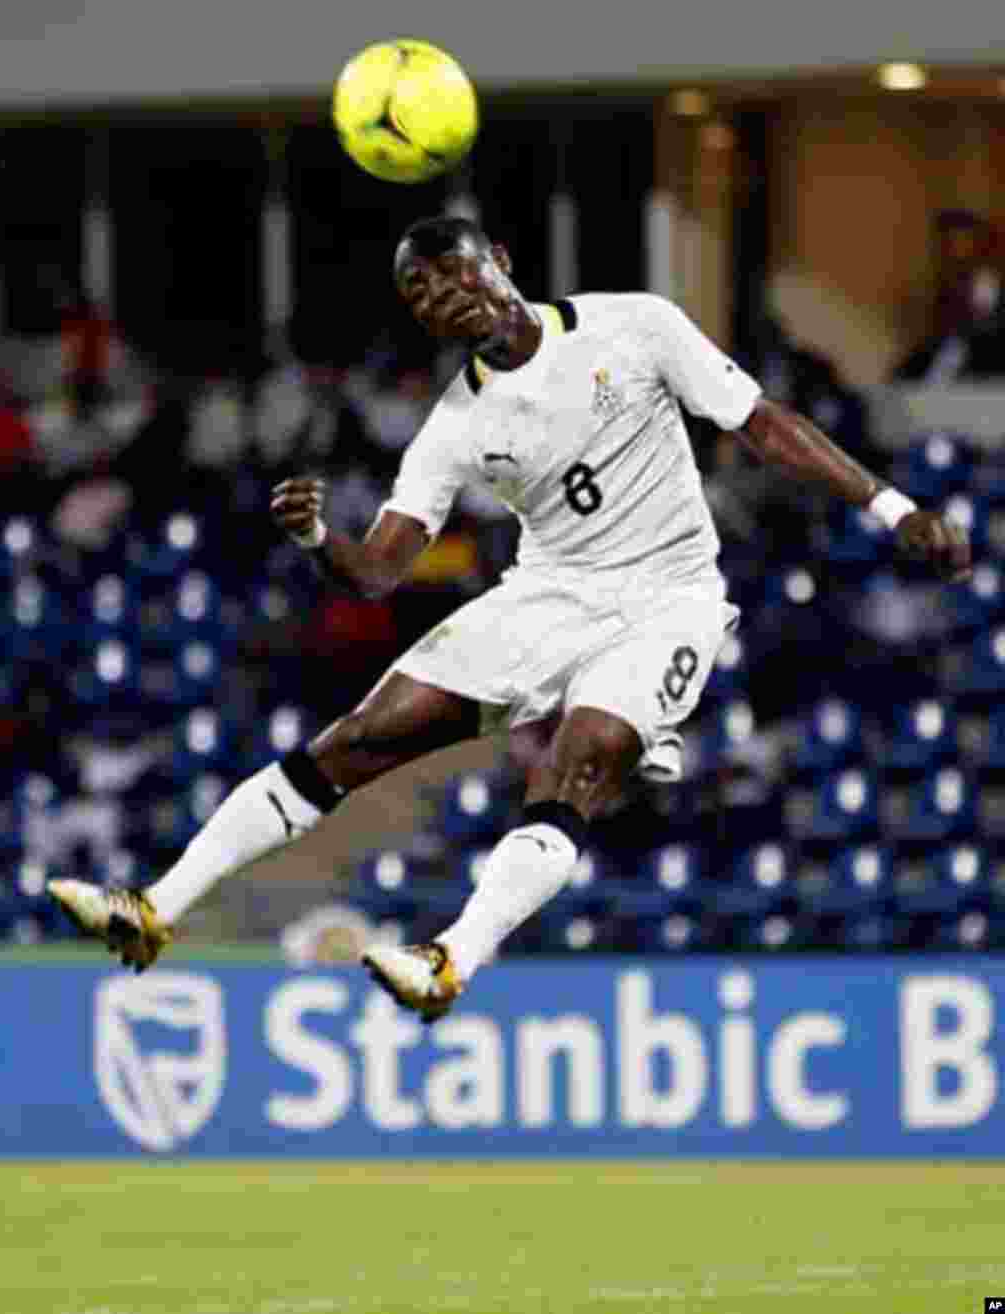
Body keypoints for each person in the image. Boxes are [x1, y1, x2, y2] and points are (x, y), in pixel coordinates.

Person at [50, 215, 971, 1021]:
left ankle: (451, 957)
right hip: (547, 594)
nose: (447, 294)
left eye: (455, 268)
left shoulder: (634, 323)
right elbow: (378, 572)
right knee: (359, 737)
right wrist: (320, 535)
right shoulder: (454, 426)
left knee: (587, 753)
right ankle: (156, 906)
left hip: (669, 595)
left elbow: (762, 423)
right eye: (422, 293)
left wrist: (892, 507)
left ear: (498, 258)